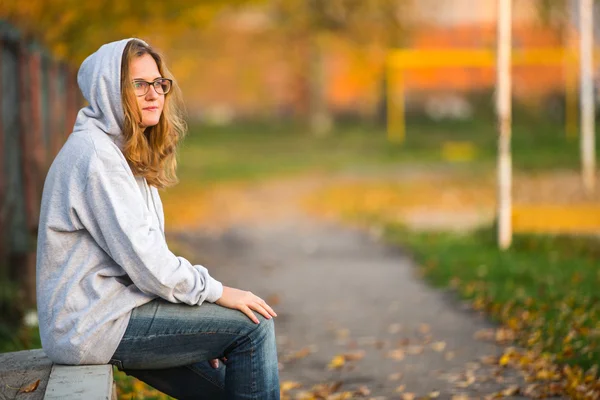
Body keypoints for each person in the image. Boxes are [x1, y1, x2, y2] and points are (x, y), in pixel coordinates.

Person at [36, 38, 280, 399]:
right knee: (250, 328)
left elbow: (142, 261)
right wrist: (216, 295)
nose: (153, 94)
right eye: (138, 84)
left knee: (232, 386)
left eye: (158, 83)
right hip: (93, 324)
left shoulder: (118, 151)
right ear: (109, 91)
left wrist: (198, 325)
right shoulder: (96, 157)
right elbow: (148, 263)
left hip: (110, 314)